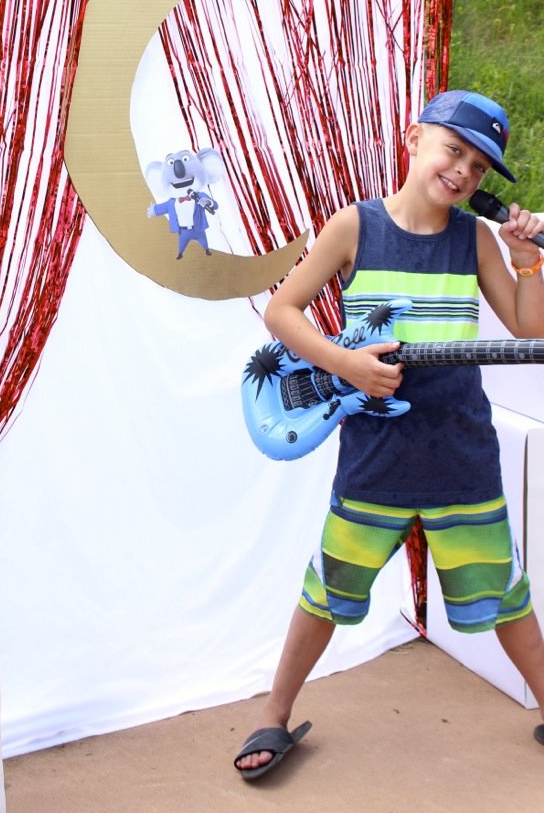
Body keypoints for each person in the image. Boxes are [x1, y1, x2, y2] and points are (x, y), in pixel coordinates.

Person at [234, 90, 544, 780]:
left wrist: (527, 259)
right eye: (453, 149)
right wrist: (345, 363)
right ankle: (273, 715)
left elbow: (529, 329)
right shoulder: (355, 227)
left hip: (462, 453)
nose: (464, 172)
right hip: (376, 454)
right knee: (329, 587)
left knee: (503, 590)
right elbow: (282, 311)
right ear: (414, 138)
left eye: (480, 166)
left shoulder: (475, 239)